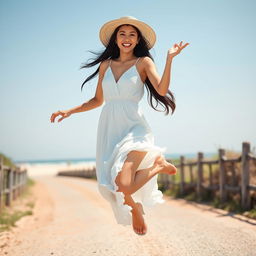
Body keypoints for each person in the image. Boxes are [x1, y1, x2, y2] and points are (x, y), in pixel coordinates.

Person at [50, 16, 189, 236]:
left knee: (124, 185)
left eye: (132, 34)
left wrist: (170, 59)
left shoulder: (143, 62)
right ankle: (136, 205)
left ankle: (157, 169)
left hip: (135, 127)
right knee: (113, 185)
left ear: (137, 40)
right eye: (122, 34)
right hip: (109, 129)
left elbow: (161, 90)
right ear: (115, 39)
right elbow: (97, 100)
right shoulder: (105, 65)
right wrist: (69, 111)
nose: (127, 38)